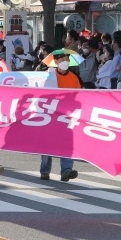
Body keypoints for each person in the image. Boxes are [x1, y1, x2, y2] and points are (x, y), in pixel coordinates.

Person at [39, 50, 80, 181]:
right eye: (62, 60)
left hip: (67, 114)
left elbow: (79, 95)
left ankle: (66, 170)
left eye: (67, 60)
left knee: (67, 142)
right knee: (47, 142)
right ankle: (45, 170)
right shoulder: (49, 75)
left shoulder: (73, 77)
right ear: (56, 62)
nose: (65, 62)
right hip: (50, 113)